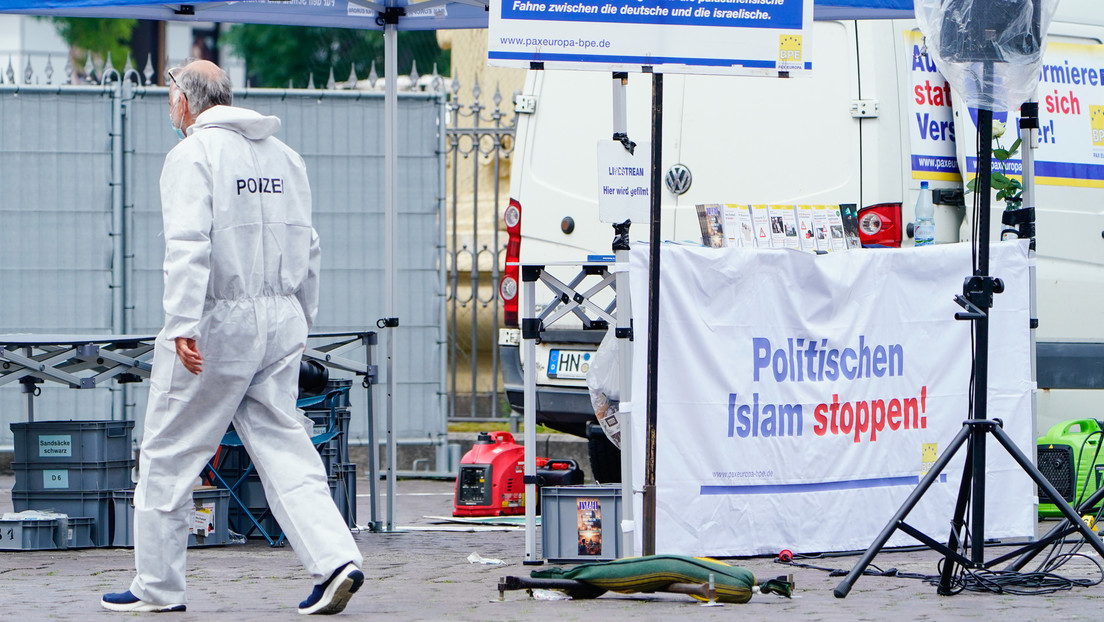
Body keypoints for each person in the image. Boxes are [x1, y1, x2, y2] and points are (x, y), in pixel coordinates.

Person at [102, 60, 363, 615]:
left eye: (169, 97)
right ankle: (336, 559)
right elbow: (308, 247)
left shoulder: (191, 156)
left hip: (218, 319)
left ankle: (158, 587)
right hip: (281, 317)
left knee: (169, 453)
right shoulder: (284, 157)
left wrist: (181, 323)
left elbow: (188, 244)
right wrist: (302, 319)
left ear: (184, 101)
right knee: (286, 445)